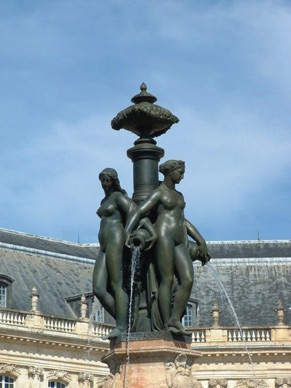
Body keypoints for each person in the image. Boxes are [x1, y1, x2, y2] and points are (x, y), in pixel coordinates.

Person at [125, 160, 210, 335]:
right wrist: (127, 232)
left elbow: (183, 220)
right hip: (164, 236)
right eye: (181, 172)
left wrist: (200, 240)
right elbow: (140, 212)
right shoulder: (159, 193)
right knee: (166, 280)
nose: (183, 176)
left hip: (180, 238)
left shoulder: (179, 195)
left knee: (187, 279)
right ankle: (165, 324)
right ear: (170, 172)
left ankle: (175, 318)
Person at [93, 168, 132, 339]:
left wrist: (129, 232)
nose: (104, 183)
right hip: (104, 243)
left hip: (116, 237)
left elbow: (134, 210)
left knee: (117, 283)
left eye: (107, 180)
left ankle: (122, 325)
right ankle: (126, 319)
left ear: (114, 181)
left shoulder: (117, 197)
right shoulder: (105, 199)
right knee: (99, 288)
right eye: (102, 180)